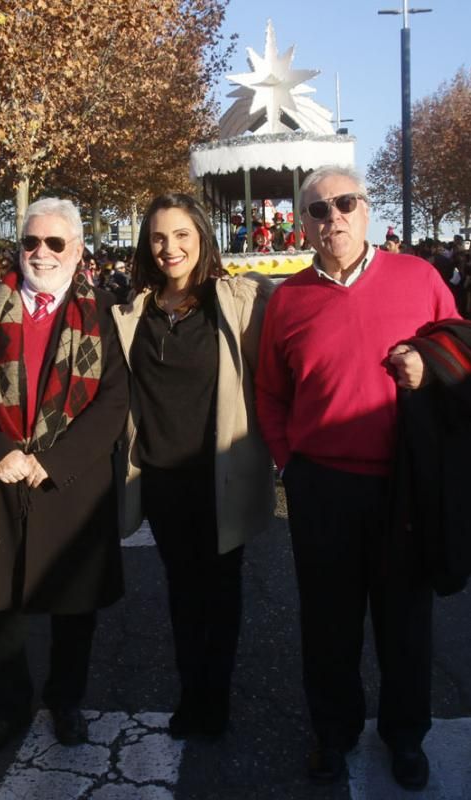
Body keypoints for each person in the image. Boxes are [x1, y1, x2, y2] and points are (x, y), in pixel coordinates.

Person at [254, 165, 460, 790]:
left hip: (403, 484)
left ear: (367, 210)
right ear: (303, 224)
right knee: (327, 625)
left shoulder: (419, 278)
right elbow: (270, 393)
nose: (332, 217)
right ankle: (333, 733)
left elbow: (464, 356)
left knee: (404, 624)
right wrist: (290, 461)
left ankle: (405, 736)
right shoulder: (288, 300)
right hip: (322, 487)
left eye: (344, 203)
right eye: (317, 210)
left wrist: (432, 370)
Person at [0, 197, 129, 758]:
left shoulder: (100, 311)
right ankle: (8, 707)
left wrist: (58, 461)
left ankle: (65, 701)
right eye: (31, 242)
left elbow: (114, 398)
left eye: (55, 243)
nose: (41, 253)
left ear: (76, 249)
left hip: (69, 481)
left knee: (73, 607)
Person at [112, 193, 274, 740]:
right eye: (158, 237)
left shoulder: (239, 300)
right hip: (161, 479)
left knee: (222, 590)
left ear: (202, 236)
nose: (170, 247)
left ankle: (217, 696)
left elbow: (285, 362)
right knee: (182, 590)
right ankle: (192, 693)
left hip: (221, 476)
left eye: (181, 234)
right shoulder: (133, 310)